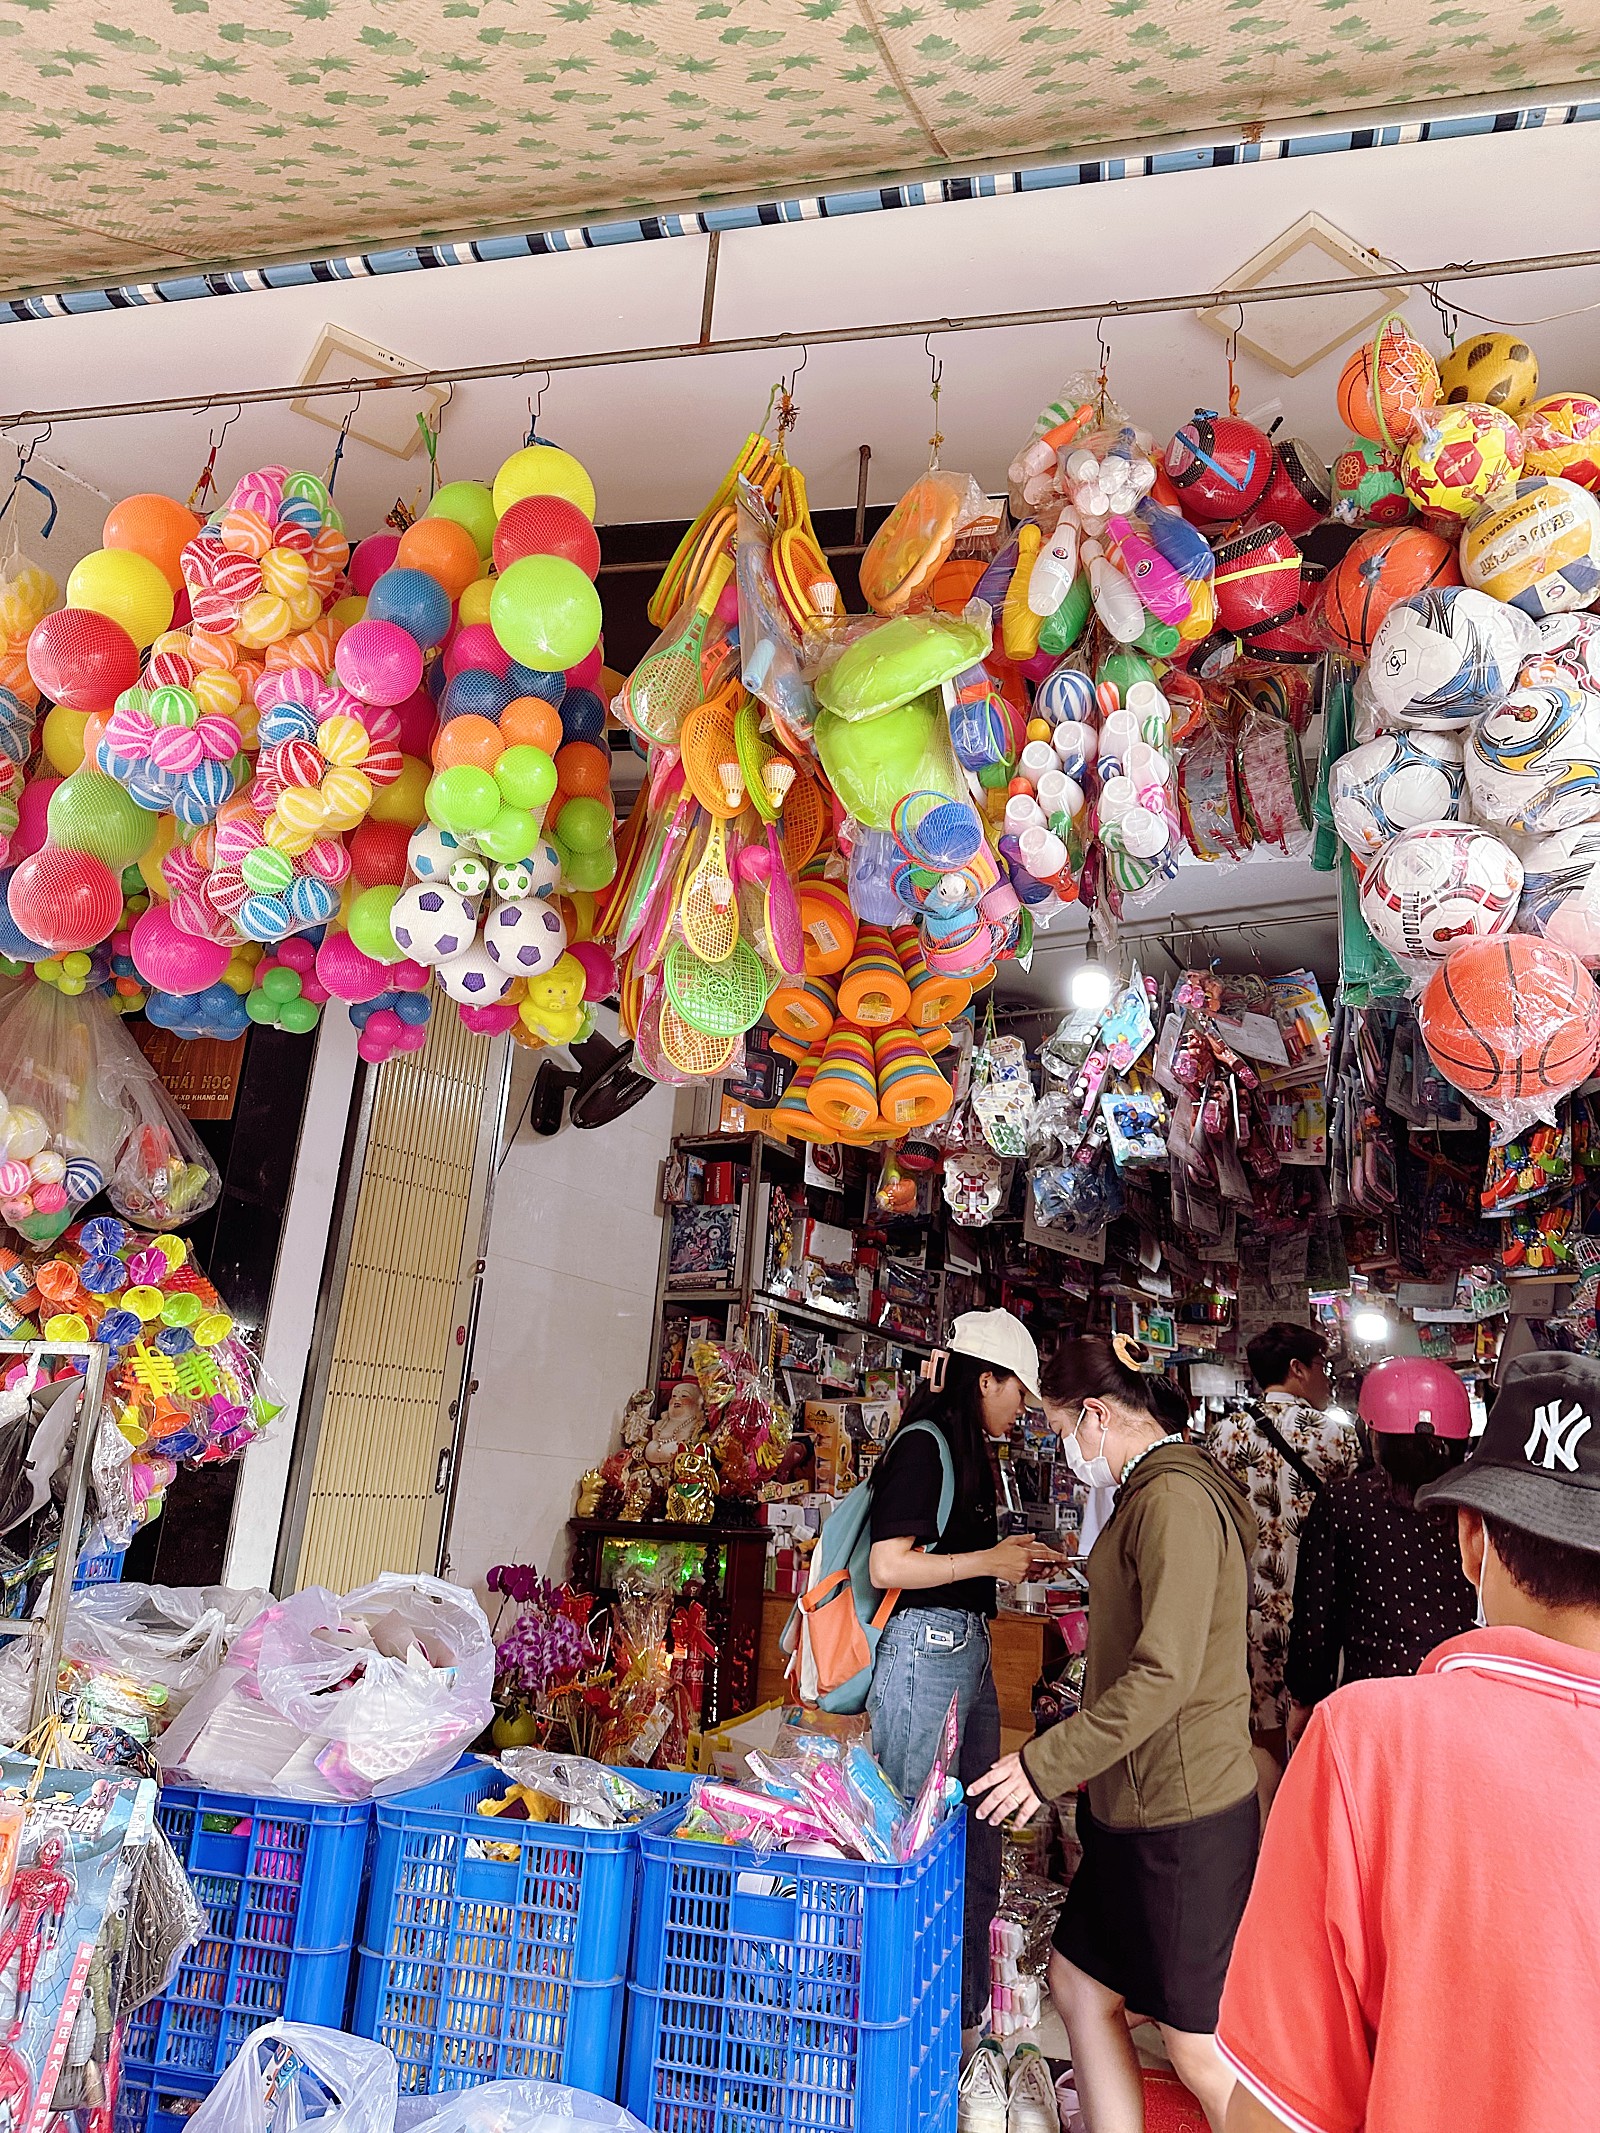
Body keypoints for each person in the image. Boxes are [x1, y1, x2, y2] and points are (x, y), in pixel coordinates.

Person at [1218, 1349, 1600, 2133]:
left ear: (1473, 1540)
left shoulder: (1358, 1748)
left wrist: (1304, 1701)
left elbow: (1275, 2114)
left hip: (1389, 1721)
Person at [969, 1334, 1258, 2133]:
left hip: (1182, 1812)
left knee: (1196, 2047)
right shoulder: (1154, 1488)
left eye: (1064, 1428)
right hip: (1136, 1801)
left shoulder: (1173, 1498)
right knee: (1079, 1983)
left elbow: (1164, 1673)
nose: (1067, 1450)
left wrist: (1042, 1764)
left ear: (1096, 1414)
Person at [865, 1308, 1060, 2071]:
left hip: (965, 1648)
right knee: (909, 1842)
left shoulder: (968, 1445)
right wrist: (987, 1562)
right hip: (926, 1650)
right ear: (986, 1380)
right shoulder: (925, 1442)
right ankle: (891, 2023)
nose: (1022, 1407)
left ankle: (963, 2028)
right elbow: (889, 1564)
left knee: (979, 1837)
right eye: (1017, 1391)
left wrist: (1011, 1559)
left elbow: (952, 1556)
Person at [1284, 1354, 1475, 1743]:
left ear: (1372, 1434)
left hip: (1373, 1707)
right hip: (1467, 1700)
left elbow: (1315, 1616)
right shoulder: (1482, 1503)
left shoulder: (1343, 1502)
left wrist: (1306, 1697)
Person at [1207, 1323, 1361, 1797]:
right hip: (1320, 1612)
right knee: (1318, 1726)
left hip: (1246, 1608)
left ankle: (1264, 1828)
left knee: (1261, 1732)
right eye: (1322, 1366)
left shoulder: (1224, 1436)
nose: (1327, 1377)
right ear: (1297, 1369)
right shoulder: (1338, 1437)